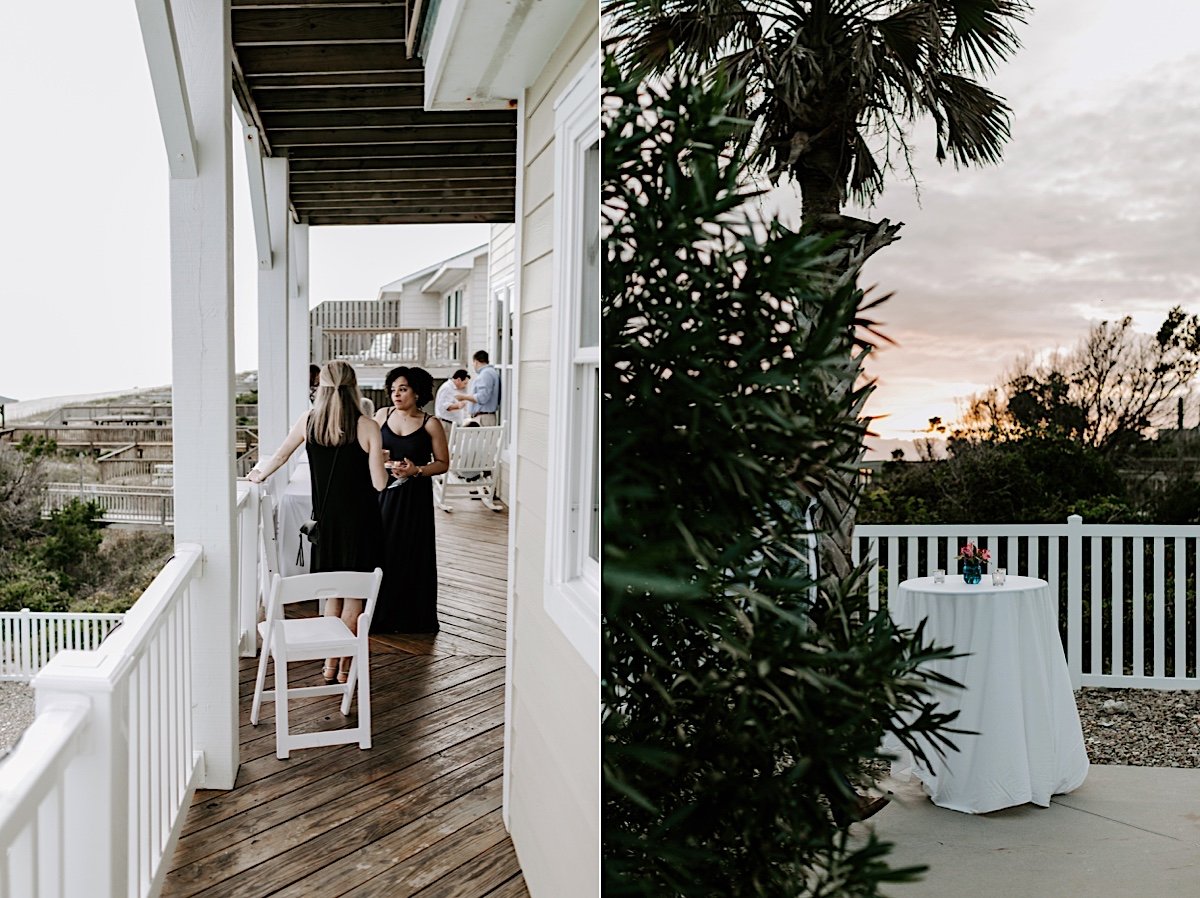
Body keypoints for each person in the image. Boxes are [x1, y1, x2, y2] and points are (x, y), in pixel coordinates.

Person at [249, 360, 388, 682]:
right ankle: (342, 671)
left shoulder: (308, 422)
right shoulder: (367, 425)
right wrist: (378, 460)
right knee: (354, 599)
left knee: (332, 596)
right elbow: (379, 484)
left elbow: (281, 455)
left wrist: (259, 475)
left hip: (326, 524)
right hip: (362, 524)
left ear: (321, 387)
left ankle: (327, 665)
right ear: (354, 387)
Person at [372, 366, 450, 633]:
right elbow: (366, 452)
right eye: (393, 389)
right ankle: (380, 617)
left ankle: (413, 619)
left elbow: (442, 464)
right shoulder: (381, 415)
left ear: (417, 392)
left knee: (413, 552)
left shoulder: (431, 423)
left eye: (402, 389)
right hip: (383, 493)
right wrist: (379, 460)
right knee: (381, 550)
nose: (396, 394)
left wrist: (416, 470)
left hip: (414, 498)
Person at [455, 350, 500, 425]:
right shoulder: (489, 372)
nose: (473, 365)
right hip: (484, 417)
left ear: (476, 362)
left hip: (483, 418)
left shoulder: (486, 374)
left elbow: (482, 398)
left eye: (473, 363)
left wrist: (463, 397)